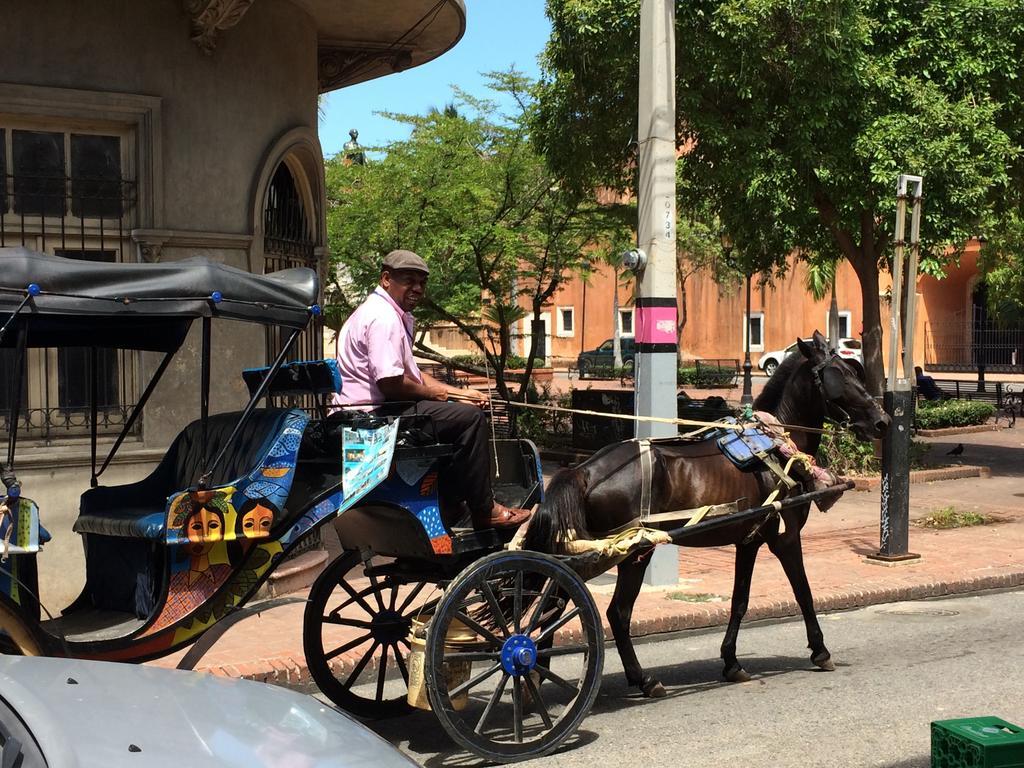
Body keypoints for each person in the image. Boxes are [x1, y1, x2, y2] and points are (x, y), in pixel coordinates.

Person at [333, 249, 531, 530]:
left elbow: (413, 376)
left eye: (422, 282)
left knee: (462, 411)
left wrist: (460, 393)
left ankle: (449, 504)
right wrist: (440, 396)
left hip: (373, 410)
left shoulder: (382, 312)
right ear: (386, 278)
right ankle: (482, 509)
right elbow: (390, 384)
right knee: (470, 420)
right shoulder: (383, 318)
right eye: (409, 280)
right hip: (374, 416)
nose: (417, 288)